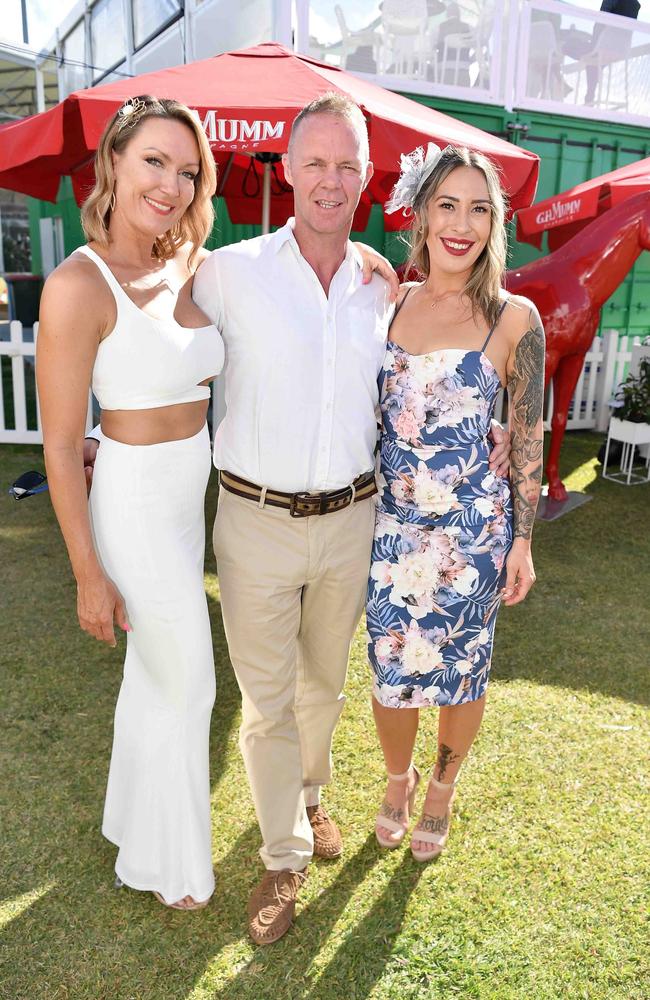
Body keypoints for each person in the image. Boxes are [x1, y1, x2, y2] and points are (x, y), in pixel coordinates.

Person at [191, 95, 511, 944]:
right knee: (264, 705)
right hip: (254, 518)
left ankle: (311, 796)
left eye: (346, 166)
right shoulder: (230, 270)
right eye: (315, 163)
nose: (330, 181)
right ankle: (283, 856)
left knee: (323, 688)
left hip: (353, 522)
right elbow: (163, 329)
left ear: (367, 180)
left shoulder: (384, 293)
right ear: (286, 169)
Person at [36, 95, 224, 910]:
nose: (172, 186)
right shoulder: (79, 284)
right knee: (191, 681)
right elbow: (57, 445)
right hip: (135, 508)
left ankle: (132, 827)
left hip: (190, 499)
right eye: (155, 161)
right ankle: (169, 867)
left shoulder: (188, 263)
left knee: (153, 679)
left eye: (187, 171)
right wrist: (87, 573)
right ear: (114, 160)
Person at [368, 144, 544, 861]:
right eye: (448, 204)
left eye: (479, 208)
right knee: (390, 669)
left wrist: (524, 542)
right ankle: (398, 778)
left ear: (495, 224)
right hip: (392, 532)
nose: (461, 224)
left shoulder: (514, 318)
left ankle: (442, 788)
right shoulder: (387, 301)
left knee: (461, 673)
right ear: (421, 212)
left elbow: (527, 440)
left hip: (474, 535)